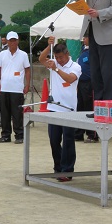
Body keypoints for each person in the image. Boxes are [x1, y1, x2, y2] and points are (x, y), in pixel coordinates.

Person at [39, 37, 81, 181]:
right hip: (54, 108)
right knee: (54, 140)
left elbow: (70, 79)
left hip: (68, 109)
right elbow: (41, 58)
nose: (59, 60)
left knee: (68, 140)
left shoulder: (75, 66)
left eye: (61, 57)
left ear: (67, 53)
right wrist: (48, 45)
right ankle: (58, 168)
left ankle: (68, 170)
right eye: (56, 57)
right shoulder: (54, 63)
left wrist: (56, 69)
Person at [0, 31, 30, 144]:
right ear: (7, 41)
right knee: (5, 113)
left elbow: (27, 69)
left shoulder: (23, 55)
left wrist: (27, 84)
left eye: (14, 40)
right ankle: (5, 135)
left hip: (17, 88)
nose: (12, 42)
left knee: (17, 114)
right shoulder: (2, 54)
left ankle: (19, 135)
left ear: (18, 40)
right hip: (4, 88)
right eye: (10, 40)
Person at [74, 36, 97, 143]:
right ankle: (79, 133)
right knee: (80, 107)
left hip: (89, 83)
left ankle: (92, 134)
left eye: (86, 37)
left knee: (89, 107)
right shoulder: (83, 50)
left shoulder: (94, 51)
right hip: (81, 82)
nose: (83, 39)